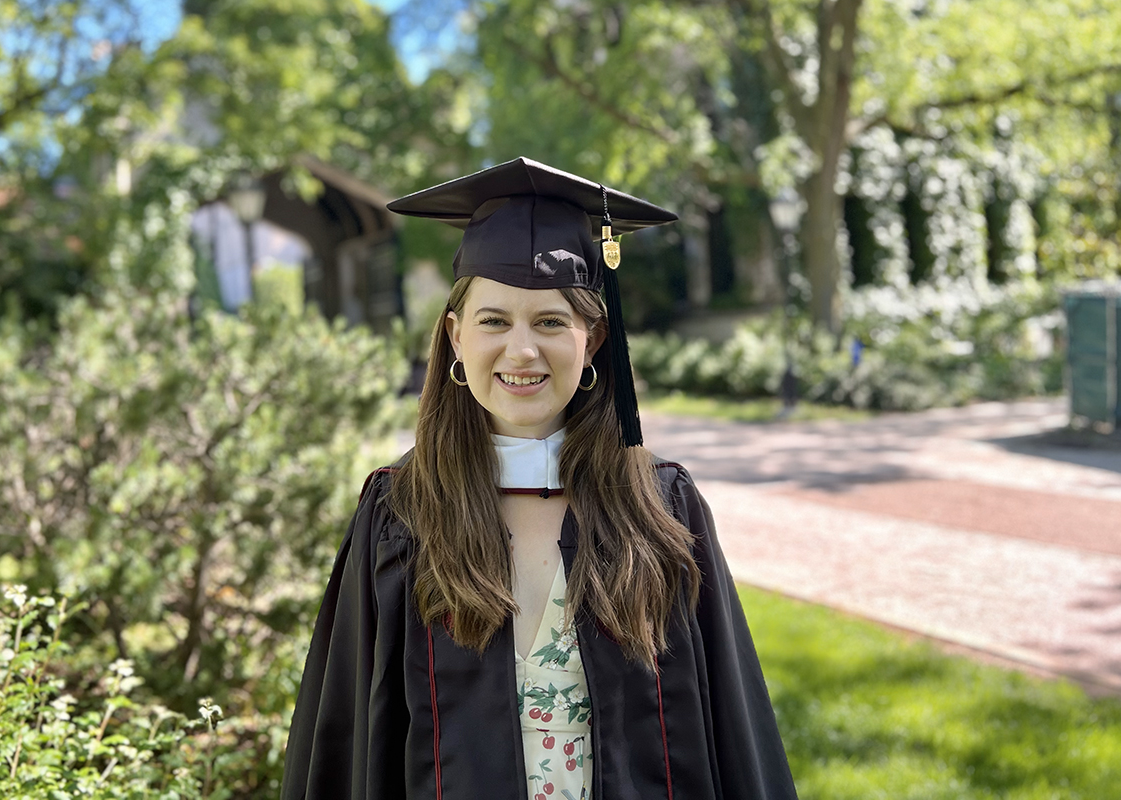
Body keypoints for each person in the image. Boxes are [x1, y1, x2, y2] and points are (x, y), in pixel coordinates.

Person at [281, 158, 798, 800]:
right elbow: (350, 739)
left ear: (593, 338)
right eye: (494, 320)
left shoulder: (660, 505)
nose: (521, 350)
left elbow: (735, 734)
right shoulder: (400, 514)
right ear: (455, 337)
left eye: (550, 322)